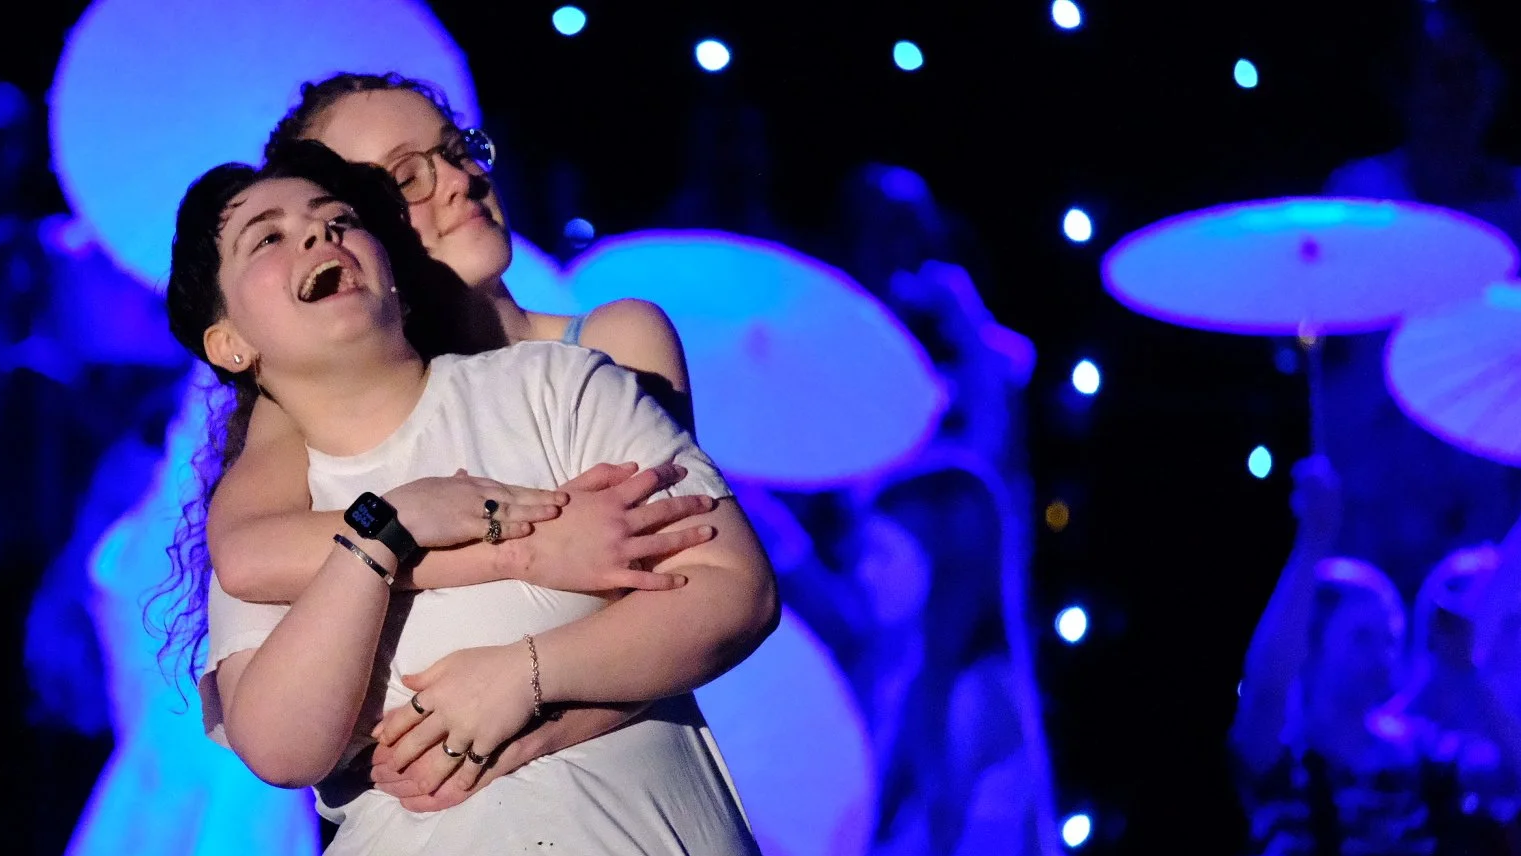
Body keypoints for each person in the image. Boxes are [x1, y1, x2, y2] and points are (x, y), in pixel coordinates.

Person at [164, 139, 776, 851]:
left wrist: (524, 677)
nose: (317, 236)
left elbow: (735, 589)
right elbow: (281, 749)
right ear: (229, 344)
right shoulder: (274, 514)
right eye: (267, 237)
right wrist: (385, 531)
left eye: (338, 220)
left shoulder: (556, 386)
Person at [1320, 0, 1521, 594]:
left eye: (1470, 71)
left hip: (1487, 515)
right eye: (1440, 72)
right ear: (1404, 86)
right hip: (1371, 511)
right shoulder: (1358, 200)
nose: (1455, 93)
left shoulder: (1516, 211)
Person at [1230, 455, 1481, 855]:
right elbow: (1266, 689)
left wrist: (1467, 672)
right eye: (1362, 637)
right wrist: (1313, 542)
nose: (1383, 654)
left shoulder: (1421, 753)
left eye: (1391, 639)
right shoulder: (1282, 756)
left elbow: (1511, 774)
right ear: (1312, 646)